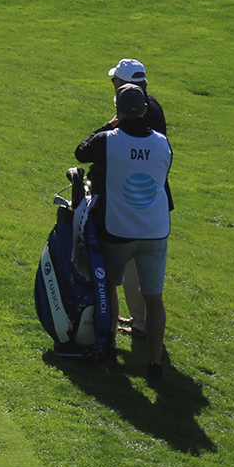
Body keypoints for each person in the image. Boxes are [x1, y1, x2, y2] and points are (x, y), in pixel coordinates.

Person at [81, 82, 173, 376]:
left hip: (118, 228)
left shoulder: (109, 139)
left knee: (109, 286)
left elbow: (81, 151)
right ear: (145, 109)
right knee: (154, 298)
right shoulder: (162, 142)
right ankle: (155, 363)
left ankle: (107, 348)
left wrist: (108, 125)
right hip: (155, 229)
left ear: (118, 111)